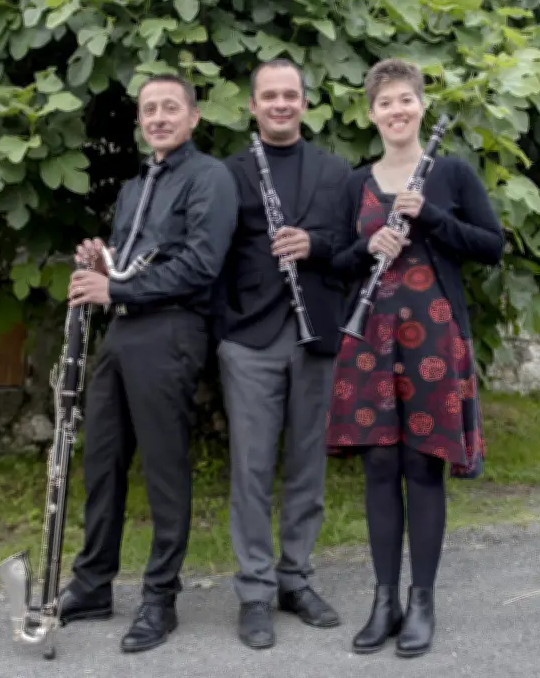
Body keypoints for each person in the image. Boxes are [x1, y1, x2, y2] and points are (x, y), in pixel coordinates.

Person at [327, 58, 503, 658]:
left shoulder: (449, 172)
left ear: (420, 105)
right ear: (370, 112)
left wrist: (430, 216)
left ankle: (422, 599)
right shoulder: (356, 182)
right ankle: (385, 601)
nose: (397, 110)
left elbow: (491, 245)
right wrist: (366, 245)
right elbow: (337, 261)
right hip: (370, 338)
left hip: (432, 338)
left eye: (406, 99)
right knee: (379, 469)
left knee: (423, 467)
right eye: (385, 102)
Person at [58, 74, 238, 654]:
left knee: (163, 469)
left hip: (172, 330)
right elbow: (133, 265)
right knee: (102, 461)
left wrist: (115, 290)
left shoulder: (210, 177)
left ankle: (160, 598)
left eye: (169, 108)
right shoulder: (137, 185)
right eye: (148, 110)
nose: (157, 117)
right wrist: (102, 262)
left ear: (194, 116)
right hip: (125, 331)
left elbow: (202, 265)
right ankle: (92, 586)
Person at [214, 58, 351, 649]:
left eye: (289, 95)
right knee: (249, 470)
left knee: (306, 467)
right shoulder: (229, 172)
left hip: (316, 334)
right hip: (250, 339)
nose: (279, 104)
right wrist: (224, 328)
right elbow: (213, 258)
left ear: (303, 101)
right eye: (268, 96)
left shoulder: (336, 171)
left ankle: (295, 579)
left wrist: (315, 245)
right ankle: (254, 592)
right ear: (252, 105)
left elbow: (354, 249)